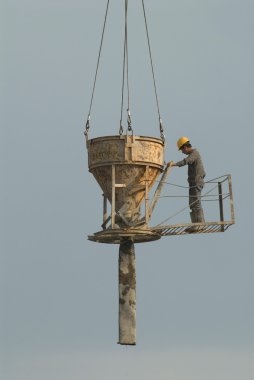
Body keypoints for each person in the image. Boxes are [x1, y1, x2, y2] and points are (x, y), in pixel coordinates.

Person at [167, 137, 206, 227]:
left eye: (181, 150)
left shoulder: (195, 153)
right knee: (192, 204)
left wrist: (174, 164)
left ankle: (200, 224)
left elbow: (187, 161)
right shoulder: (192, 154)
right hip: (192, 183)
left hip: (197, 182)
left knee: (196, 203)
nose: (182, 152)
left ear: (185, 147)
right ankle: (195, 224)